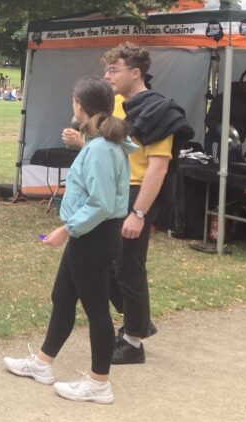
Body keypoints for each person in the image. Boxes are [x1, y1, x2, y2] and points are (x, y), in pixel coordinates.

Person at [4, 77, 132, 404]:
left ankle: (99, 383)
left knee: (96, 309)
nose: (71, 105)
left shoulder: (103, 148)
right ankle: (43, 364)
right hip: (87, 234)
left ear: (80, 105)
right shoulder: (98, 143)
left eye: (73, 101)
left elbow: (101, 203)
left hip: (94, 235)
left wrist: (67, 229)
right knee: (62, 296)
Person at [63, 42, 192, 364]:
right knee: (105, 266)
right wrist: (82, 141)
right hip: (113, 191)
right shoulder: (115, 106)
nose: (106, 76)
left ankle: (133, 342)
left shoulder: (160, 112)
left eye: (113, 70)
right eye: (106, 69)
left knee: (128, 269)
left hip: (137, 195)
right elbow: (108, 152)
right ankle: (138, 321)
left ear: (135, 72)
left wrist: (139, 213)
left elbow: (158, 167)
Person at [205, 66, 246, 157]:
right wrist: (223, 128)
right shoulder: (225, 97)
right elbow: (209, 120)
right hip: (216, 142)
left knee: (235, 170)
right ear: (241, 82)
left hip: (236, 144)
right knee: (215, 169)